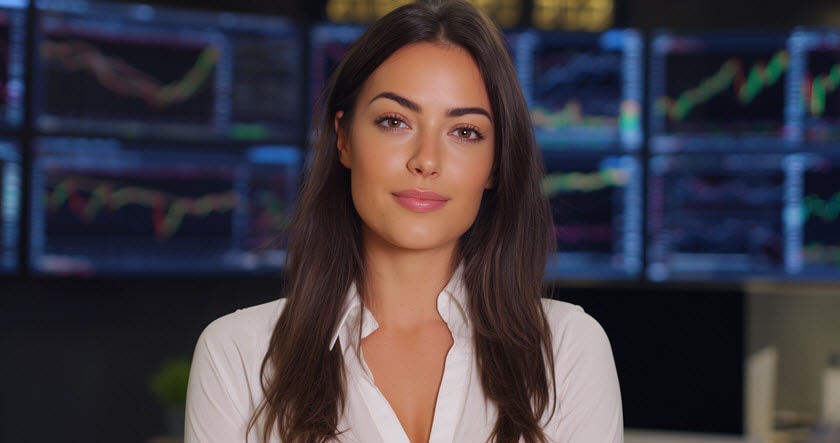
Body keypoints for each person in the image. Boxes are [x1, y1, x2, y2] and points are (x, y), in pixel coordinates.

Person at [184, 0, 623, 441]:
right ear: (344, 139)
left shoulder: (566, 350)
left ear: (495, 164)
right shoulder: (238, 356)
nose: (426, 160)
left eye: (465, 131)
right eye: (395, 122)